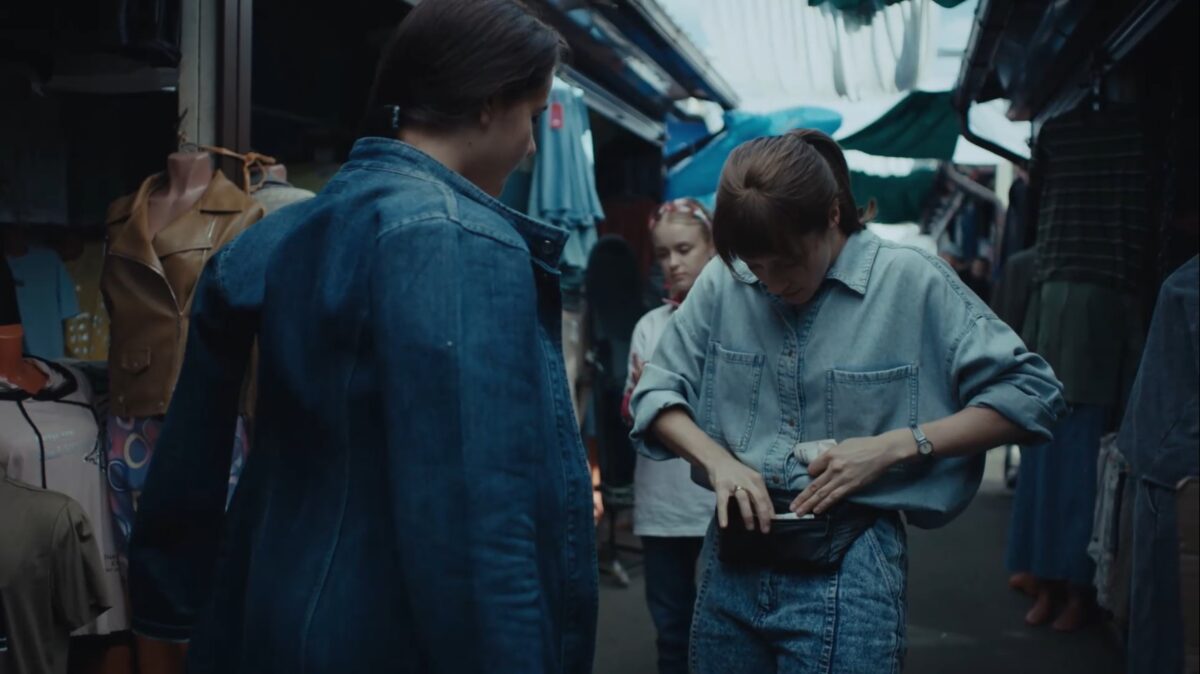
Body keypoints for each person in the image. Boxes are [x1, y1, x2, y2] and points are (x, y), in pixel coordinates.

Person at [127, 2, 598, 672]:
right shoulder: (460, 239)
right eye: (531, 116)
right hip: (390, 639)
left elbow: (185, 469)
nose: (530, 147)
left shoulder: (272, 237)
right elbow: (478, 522)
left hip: (262, 617)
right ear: (490, 103)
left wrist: (167, 611)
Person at [629, 129, 1066, 673]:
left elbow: (1032, 393)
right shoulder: (725, 280)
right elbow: (656, 391)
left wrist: (897, 446)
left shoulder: (909, 279)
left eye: (787, 262)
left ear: (833, 215)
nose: (770, 283)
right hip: (731, 562)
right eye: (756, 266)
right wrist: (718, 463)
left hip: (850, 568)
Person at [619, 198, 718, 674]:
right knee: (672, 630)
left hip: (719, 502)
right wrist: (643, 401)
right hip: (662, 507)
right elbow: (631, 412)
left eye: (684, 249)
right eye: (663, 254)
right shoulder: (649, 327)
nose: (673, 263)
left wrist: (661, 398)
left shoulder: (735, 321)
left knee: (726, 627)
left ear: (712, 247)